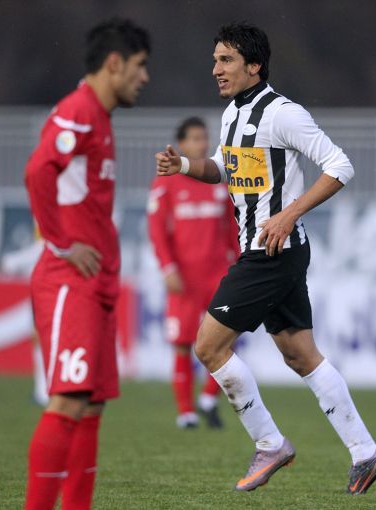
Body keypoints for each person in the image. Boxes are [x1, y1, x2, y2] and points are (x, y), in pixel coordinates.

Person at [155, 23, 376, 494]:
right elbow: (223, 168)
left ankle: (270, 444)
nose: (216, 69)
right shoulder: (232, 113)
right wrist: (182, 165)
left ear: (254, 66)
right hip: (274, 251)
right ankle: (365, 452)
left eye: (226, 60)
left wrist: (288, 213)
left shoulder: (283, 114)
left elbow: (340, 165)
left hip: (270, 252)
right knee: (301, 355)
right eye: (215, 59)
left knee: (208, 347)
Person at [23, 18, 149, 509]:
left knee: (91, 406)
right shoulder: (78, 111)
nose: (145, 78)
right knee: (68, 400)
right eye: (140, 66)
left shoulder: (99, 117)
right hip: (69, 280)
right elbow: (38, 170)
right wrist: (60, 243)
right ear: (114, 63)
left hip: (96, 282)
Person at [147, 117, 240, 429]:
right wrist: (167, 267)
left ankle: (209, 398)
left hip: (218, 274)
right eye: (196, 138)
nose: (202, 144)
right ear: (182, 144)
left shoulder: (219, 181)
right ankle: (186, 412)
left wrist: (240, 263)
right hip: (184, 279)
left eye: (205, 138)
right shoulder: (166, 183)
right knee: (183, 343)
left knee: (227, 336)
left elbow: (233, 228)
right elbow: (157, 230)